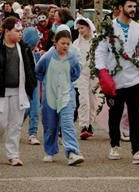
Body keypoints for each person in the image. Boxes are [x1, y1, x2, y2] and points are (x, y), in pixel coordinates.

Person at [94, 0, 139, 164]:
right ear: (121, 8)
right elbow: (100, 51)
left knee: (136, 117)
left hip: (136, 80)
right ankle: (115, 145)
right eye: (129, 6)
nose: (133, 9)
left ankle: (137, 151)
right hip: (114, 81)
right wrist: (102, 72)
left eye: (135, 7)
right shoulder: (109, 27)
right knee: (115, 114)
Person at [0, 17, 36, 166]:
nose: (20, 34)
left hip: (19, 91)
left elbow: (31, 68)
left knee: (15, 124)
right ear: (7, 31)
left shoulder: (24, 48)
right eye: (17, 31)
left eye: (21, 31)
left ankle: (13, 155)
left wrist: (31, 85)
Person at [35, 30, 84, 165]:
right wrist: (46, 83)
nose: (65, 46)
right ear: (55, 42)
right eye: (62, 43)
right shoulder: (48, 56)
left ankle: (72, 152)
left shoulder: (72, 58)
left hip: (67, 95)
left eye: (68, 44)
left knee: (67, 124)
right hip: (49, 96)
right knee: (50, 125)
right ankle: (49, 151)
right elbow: (38, 71)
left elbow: (75, 74)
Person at [74, 17, 98, 140]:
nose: (80, 31)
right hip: (81, 75)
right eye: (79, 29)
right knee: (83, 100)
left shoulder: (97, 42)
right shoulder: (76, 43)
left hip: (94, 76)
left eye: (82, 28)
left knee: (93, 102)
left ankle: (90, 124)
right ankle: (83, 126)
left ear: (89, 27)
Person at [23, 27, 42, 146]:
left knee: (35, 108)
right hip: (24, 84)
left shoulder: (36, 54)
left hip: (35, 84)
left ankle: (33, 133)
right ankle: (14, 127)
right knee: (24, 108)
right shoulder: (23, 52)